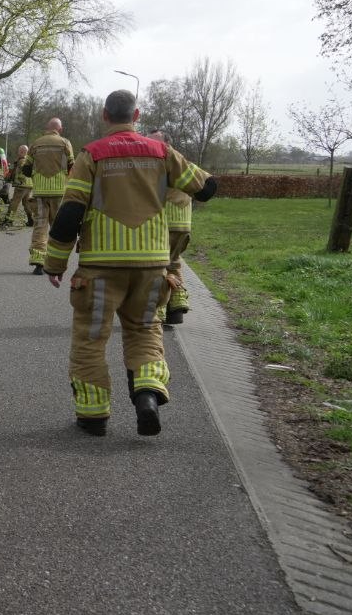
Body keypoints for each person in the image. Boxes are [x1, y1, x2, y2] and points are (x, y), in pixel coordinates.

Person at [43, 91, 217, 437]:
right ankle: (147, 395)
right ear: (136, 114)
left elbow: (70, 213)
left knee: (91, 340)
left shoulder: (91, 155)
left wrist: (55, 262)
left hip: (99, 270)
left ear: (105, 115)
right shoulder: (162, 152)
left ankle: (93, 417)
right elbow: (207, 188)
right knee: (145, 331)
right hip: (152, 268)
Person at [149, 130, 194, 326]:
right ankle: (177, 307)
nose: (149, 145)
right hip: (183, 225)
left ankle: (158, 312)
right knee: (173, 261)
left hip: (164, 222)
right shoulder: (183, 162)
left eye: (153, 141)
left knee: (156, 265)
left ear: (167, 143)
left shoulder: (158, 162)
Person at [27, 118, 74, 274]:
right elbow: (71, 166)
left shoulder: (35, 144)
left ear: (47, 128)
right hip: (59, 192)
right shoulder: (65, 143)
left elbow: (26, 169)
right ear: (59, 129)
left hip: (40, 192)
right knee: (57, 227)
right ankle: (54, 263)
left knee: (40, 226)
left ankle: (38, 262)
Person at [0, 144, 35, 227]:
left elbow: (20, 171)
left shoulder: (22, 161)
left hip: (21, 185)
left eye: (19, 151)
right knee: (26, 203)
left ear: (23, 151)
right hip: (28, 185)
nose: (18, 152)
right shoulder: (29, 160)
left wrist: (14, 178)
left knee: (14, 203)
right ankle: (31, 221)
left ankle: (8, 221)